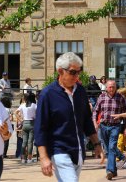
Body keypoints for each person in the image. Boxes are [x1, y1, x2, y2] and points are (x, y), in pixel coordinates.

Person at [34, 52, 104, 182]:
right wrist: (43, 157)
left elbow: (87, 121)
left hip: (78, 152)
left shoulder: (81, 91)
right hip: (59, 150)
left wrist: (97, 144)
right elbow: (40, 127)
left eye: (79, 72)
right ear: (60, 71)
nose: (77, 76)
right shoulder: (47, 94)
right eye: (73, 72)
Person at [93, 80, 126, 181]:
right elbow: (95, 110)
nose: (111, 89)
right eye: (110, 87)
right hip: (103, 126)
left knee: (112, 147)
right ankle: (118, 165)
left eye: (113, 87)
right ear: (106, 88)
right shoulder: (101, 97)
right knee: (108, 150)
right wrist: (95, 123)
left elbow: (125, 114)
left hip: (115, 126)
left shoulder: (120, 98)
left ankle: (109, 171)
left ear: (116, 87)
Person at [114, 88, 126, 169]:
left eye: (119, 94)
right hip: (120, 126)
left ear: (123, 94)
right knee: (119, 143)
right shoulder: (119, 102)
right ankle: (119, 160)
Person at [15, 93, 37, 164]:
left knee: (24, 142)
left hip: (24, 123)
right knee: (30, 142)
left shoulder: (22, 105)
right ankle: (29, 158)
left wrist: (20, 119)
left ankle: (23, 158)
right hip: (32, 123)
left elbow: (16, 112)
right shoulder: (34, 105)